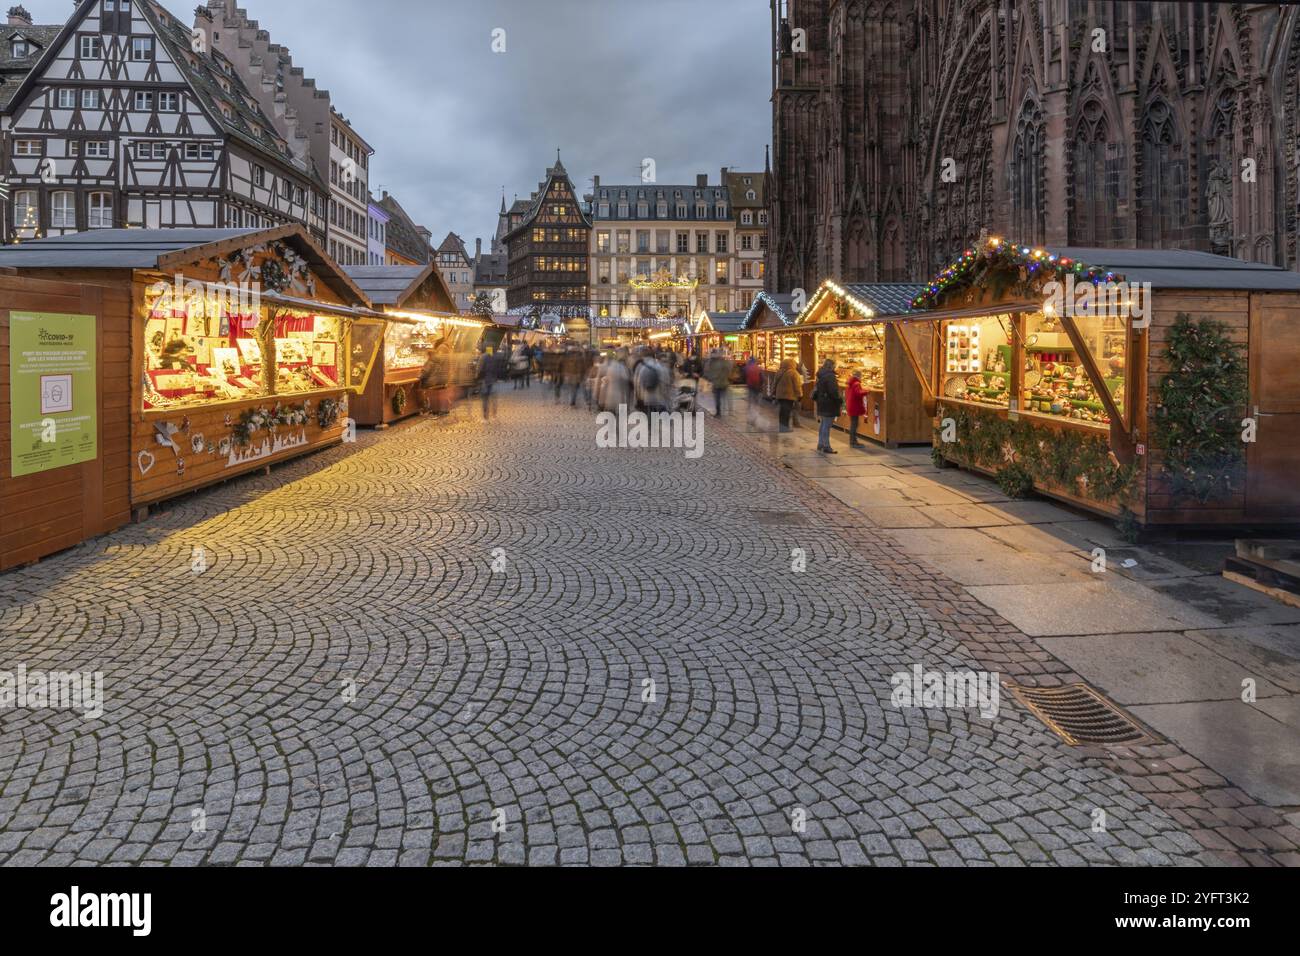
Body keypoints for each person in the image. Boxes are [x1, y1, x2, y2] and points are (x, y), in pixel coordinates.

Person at [812, 358, 843, 454]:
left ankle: (820, 443)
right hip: (829, 403)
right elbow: (833, 391)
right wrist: (839, 400)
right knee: (827, 425)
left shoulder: (820, 374)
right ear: (832, 366)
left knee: (823, 424)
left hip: (822, 402)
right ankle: (826, 446)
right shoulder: (830, 376)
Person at [772, 357, 802, 432]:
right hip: (789, 395)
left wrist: (774, 393)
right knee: (787, 412)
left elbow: (774, 383)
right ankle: (785, 428)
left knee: (782, 412)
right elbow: (797, 386)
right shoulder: (794, 373)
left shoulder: (779, 372)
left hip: (780, 395)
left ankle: (782, 427)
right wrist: (799, 395)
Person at [703, 349, 732, 417]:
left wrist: (709, 378)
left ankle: (719, 412)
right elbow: (729, 369)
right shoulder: (723, 361)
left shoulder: (712, 362)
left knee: (717, 398)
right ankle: (723, 411)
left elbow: (707, 371)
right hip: (723, 382)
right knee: (722, 398)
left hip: (717, 383)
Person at [845, 368, 867, 448]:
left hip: (851, 405)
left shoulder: (850, 383)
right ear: (859, 376)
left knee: (853, 424)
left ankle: (853, 441)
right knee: (854, 424)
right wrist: (867, 391)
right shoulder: (856, 383)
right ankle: (853, 442)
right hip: (854, 406)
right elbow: (858, 393)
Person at [743, 356, 763, 429]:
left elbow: (744, 376)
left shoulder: (747, 368)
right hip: (757, 388)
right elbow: (762, 379)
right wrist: (760, 386)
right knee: (756, 403)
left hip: (750, 387)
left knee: (750, 403)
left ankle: (749, 418)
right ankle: (755, 418)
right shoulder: (759, 368)